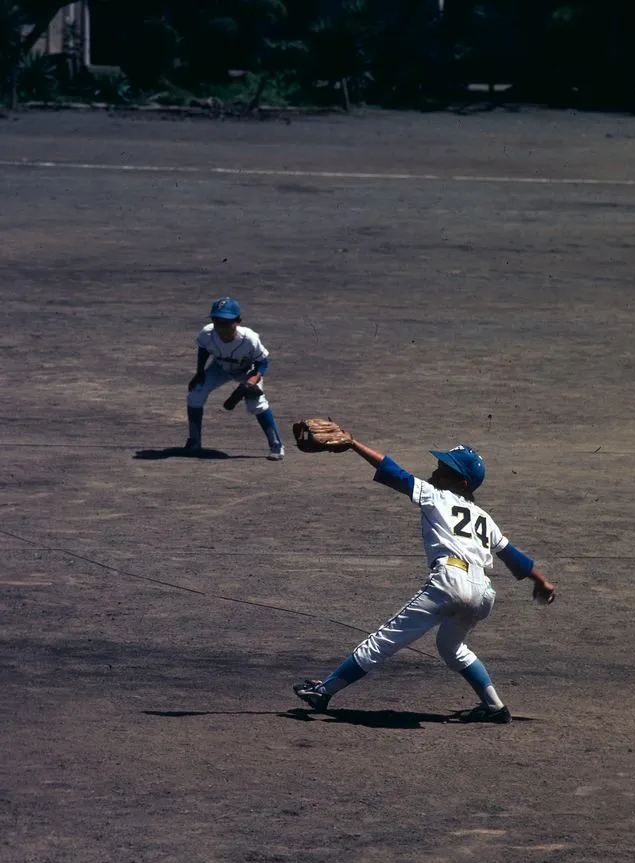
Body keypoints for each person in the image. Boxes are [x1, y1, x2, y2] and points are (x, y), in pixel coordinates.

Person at [294, 438, 555, 723]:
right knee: (451, 648)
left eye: (443, 469)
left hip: (450, 582)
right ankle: (494, 706)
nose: (434, 471)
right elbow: (513, 556)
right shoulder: (485, 518)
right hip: (482, 593)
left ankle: (324, 691)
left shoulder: (435, 496)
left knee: (384, 639)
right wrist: (540, 582)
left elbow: (396, 474)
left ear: (462, 484)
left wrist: (354, 444)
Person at [185, 297, 284, 460]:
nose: (220, 326)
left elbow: (262, 362)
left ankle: (277, 446)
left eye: (225, 321)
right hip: (220, 367)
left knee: (256, 404)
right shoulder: (207, 333)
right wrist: (199, 372)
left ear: (237, 321)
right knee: (195, 394)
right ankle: (194, 441)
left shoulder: (249, 339)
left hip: (248, 369)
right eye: (217, 320)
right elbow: (203, 350)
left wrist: (252, 382)